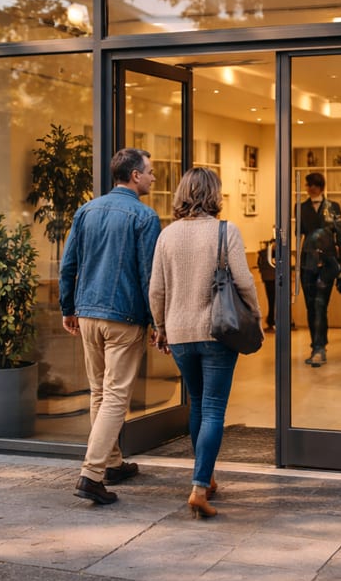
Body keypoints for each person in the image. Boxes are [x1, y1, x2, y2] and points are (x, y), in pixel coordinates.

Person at [149, 168, 261, 519]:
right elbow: (243, 281)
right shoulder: (225, 231)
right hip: (217, 331)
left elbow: (156, 290)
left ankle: (207, 476)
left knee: (197, 404)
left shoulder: (167, 235)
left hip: (180, 334)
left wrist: (161, 326)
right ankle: (198, 488)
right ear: (215, 195)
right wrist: (255, 315)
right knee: (213, 408)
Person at [60, 147, 161, 505]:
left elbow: (68, 263)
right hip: (124, 317)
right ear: (134, 175)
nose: (153, 176)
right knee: (116, 395)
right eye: (150, 171)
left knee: (99, 392)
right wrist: (156, 321)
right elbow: (149, 275)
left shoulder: (86, 210)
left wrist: (68, 307)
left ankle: (113, 463)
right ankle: (91, 474)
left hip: (87, 314)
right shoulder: (145, 217)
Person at [297, 171, 341, 367]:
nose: (310, 188)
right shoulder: (300, 208)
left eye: (314, 185)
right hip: (307, 261)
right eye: (308, 185)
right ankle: (315, 345)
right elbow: (298, 235)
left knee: (320, 304)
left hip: (327, 262)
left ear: (321, 186)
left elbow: (340, 236)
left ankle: (320, 347)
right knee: (310, 306)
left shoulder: (333, 207)